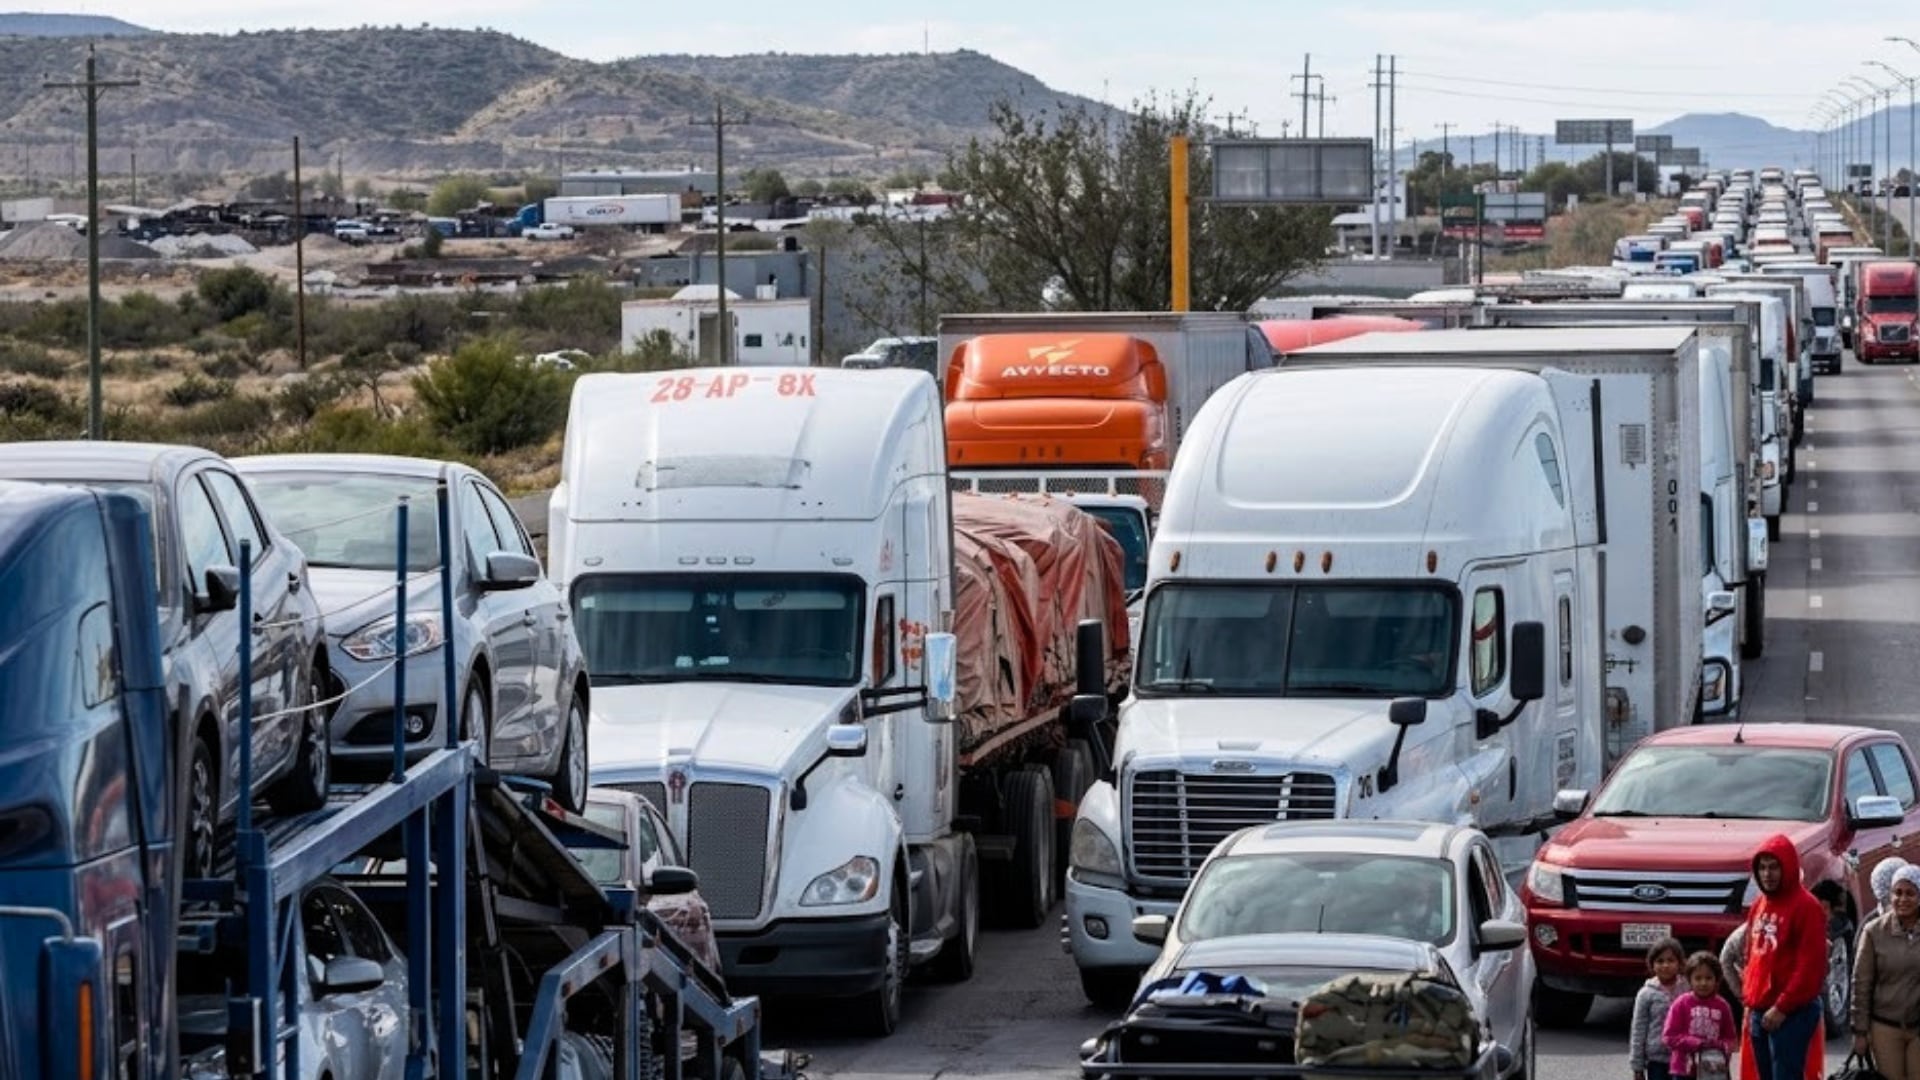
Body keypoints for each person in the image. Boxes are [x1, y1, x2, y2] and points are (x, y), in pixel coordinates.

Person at [1739, 835, 1830, 1080]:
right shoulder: (1759, 904)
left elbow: (1810, 967)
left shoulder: (1806, 907)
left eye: (1774, 866)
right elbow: (1752, 954)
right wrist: (1749, 996)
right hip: (1759, 1009)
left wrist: (1781, 1007)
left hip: (1791, 1012)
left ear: (1788, 866)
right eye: (1762, 867)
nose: (1768, 874)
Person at [1853, 863, 1920, 1080]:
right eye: (1897, 893)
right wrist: (1860, 1032)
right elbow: (1861, 983)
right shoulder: (1874, 932)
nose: (1903, 899)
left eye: (1910, 893)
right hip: (1885, 1026)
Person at [1665, 952, 1738, 1080]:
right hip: (1684, 1070)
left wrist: (1720, 1046)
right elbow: (1669, 1037)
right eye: (1698, 978)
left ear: (1716, 980)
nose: (1703, 983)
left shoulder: (1723, 1005)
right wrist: (1697, 1043)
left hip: (1714, 1070)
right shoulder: (1681, 1003)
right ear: (1689, 980)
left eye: (1708, 978)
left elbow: (1731, 1040)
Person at [1633, 937, 1689, 1080]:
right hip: (1657, 1060)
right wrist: (1637, 1067)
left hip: (1684, 1057)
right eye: (1660, 961)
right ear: (1652, 965)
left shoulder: (1688, 989)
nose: (1665, 965)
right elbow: (1638, 1030)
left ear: (1680, 963)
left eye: (1670, 960)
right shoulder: (1646, 994)